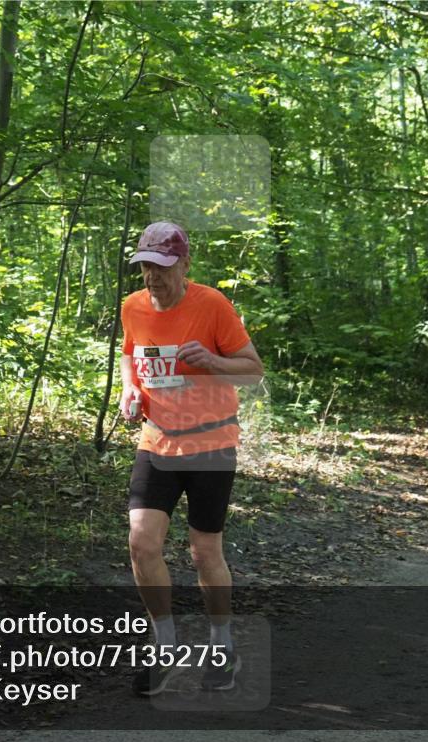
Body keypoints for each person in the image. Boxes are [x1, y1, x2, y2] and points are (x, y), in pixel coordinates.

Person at [118, 221, 264, 696]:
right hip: (157, 441)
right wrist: (129, 390)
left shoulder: (213, 305)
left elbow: (253, 370)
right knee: (142, 544)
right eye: (145, 266)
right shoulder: (133, 307)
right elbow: (129, 354)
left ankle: (221, 648)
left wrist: (216, 362)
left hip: (210, 444)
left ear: (185, 264)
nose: (152, 277)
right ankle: (165, 649)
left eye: (162, 267)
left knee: (204, 552)